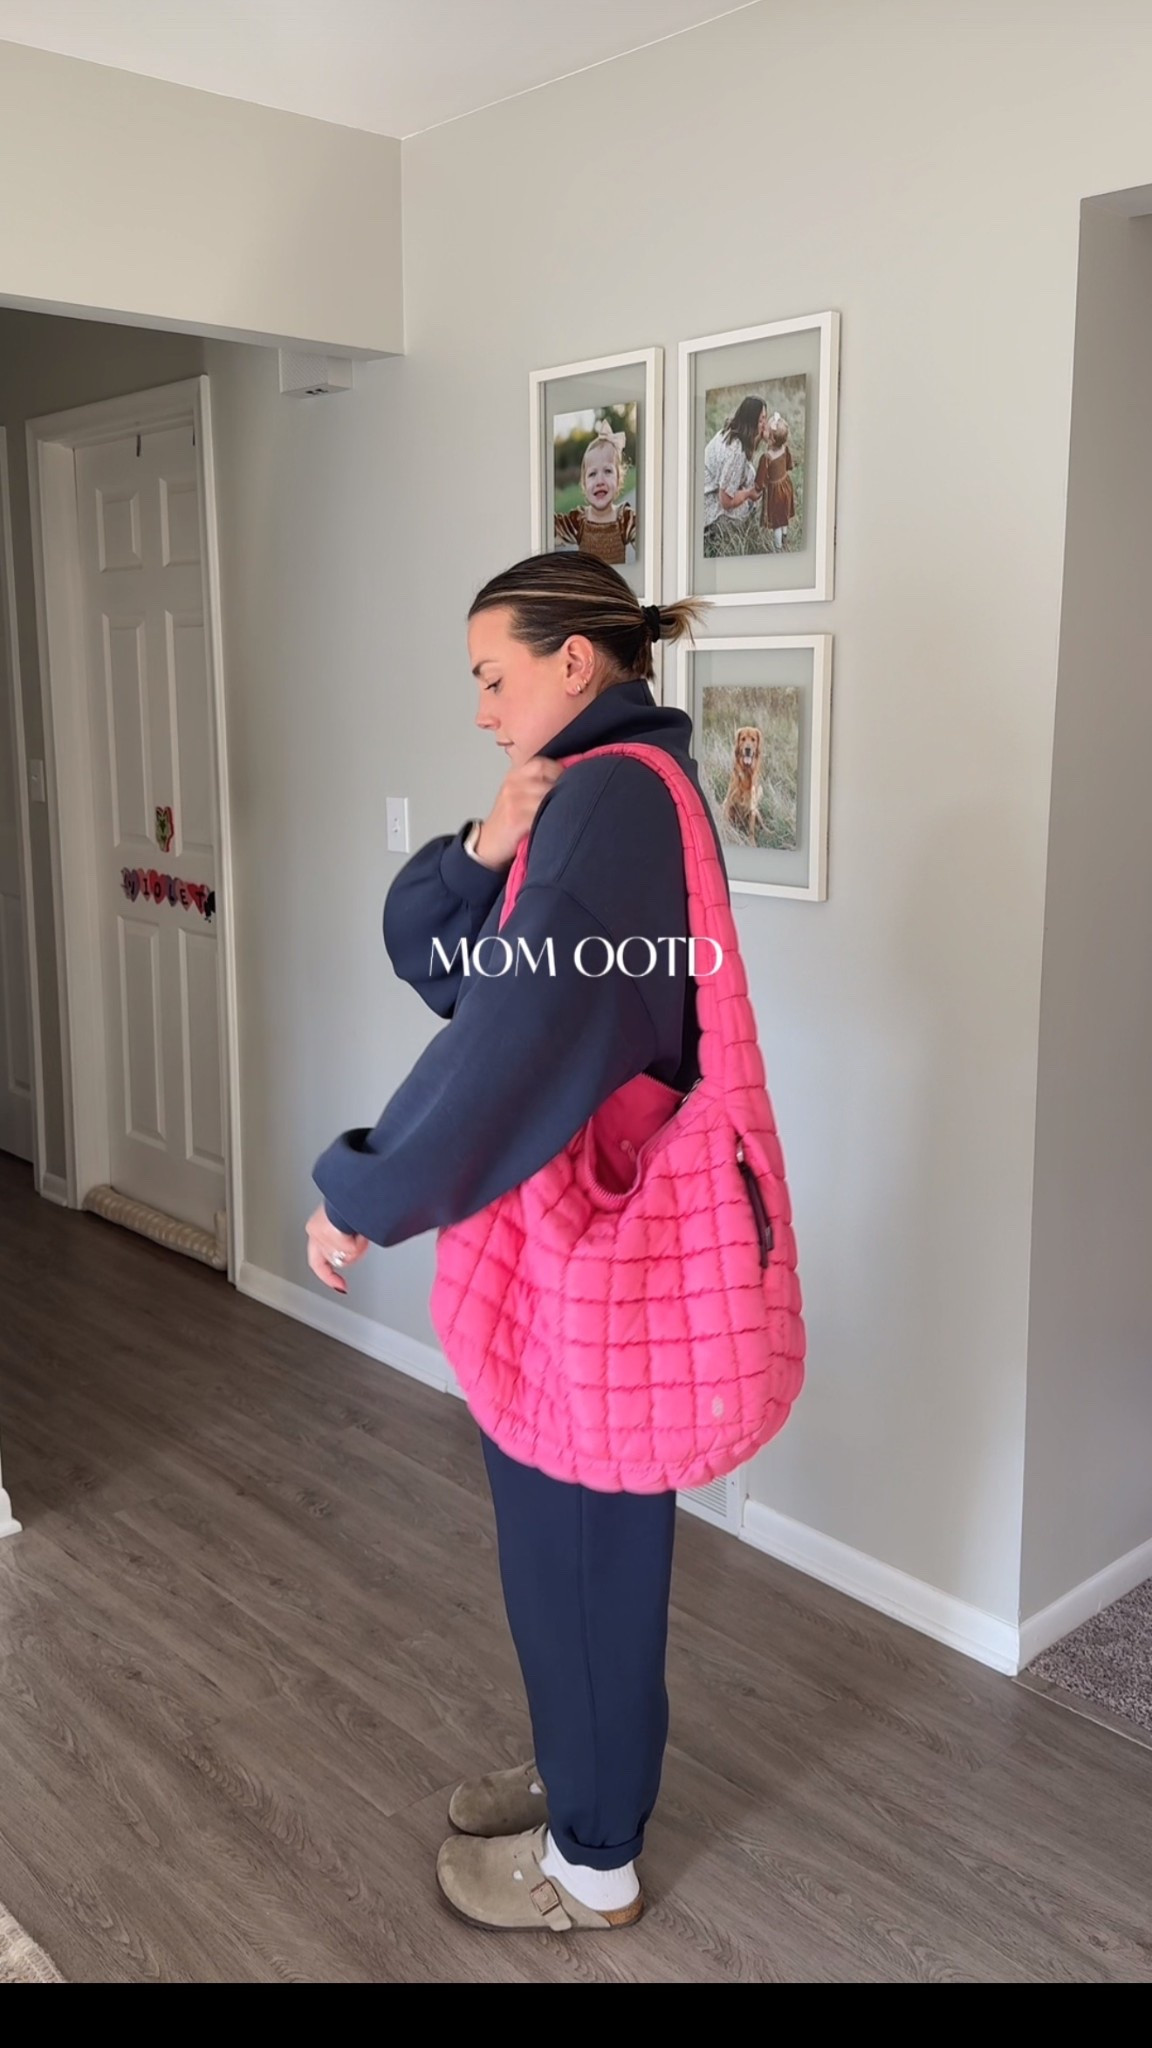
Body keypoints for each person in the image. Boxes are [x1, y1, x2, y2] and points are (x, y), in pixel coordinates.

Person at [306, 554, 721, 1933]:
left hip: (590, 1253)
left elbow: (507, 1040)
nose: (483, 710)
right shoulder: (594, 791)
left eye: (495, 678)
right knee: (560, 1552)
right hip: (565, 1246)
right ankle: (574, 1771)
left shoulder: (614, 801)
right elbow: (440, 961)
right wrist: (482, 849)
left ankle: (593, 1862)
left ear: (574, 662)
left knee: (583, 1552)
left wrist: (365, 1189)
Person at [553, 419, 637, 564]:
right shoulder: (579, 521)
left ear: (618, 480)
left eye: (608, 471)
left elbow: (649, 543)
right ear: (584, 485)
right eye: (592, 474)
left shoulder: (625, 519)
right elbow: (548, 528)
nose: (600, 481)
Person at [701, 394, 766, 551]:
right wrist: (748, 494)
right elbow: (725, 501)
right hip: (708, 505)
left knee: (751, 475)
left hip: (707, 489)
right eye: (761, 420)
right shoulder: (736, 452)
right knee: (749, 508)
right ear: (751, 422)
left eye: (765, 418)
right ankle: (712, 534)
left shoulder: (731, 430)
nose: (764, 424)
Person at [755, 410, 796, 551]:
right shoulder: (785, 449)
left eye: (766, 429)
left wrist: (759, 486)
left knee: (777, 521)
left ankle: (778, 548)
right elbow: (789, 465)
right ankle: (785, 537)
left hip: (776, 493)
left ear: (771, 439)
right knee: (784, 515)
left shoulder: (767, 457)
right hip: (786, 486)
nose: (764, 428)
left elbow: (760, 479)